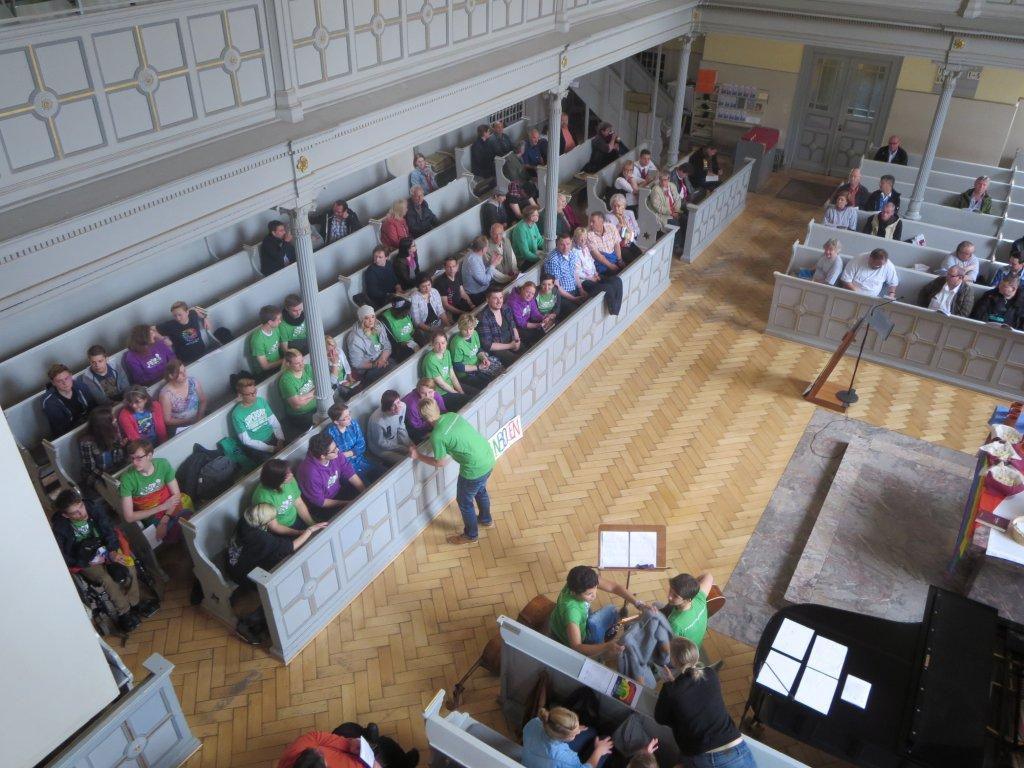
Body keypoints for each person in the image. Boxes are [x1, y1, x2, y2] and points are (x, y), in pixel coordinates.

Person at [53, 489, 154, 632]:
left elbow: (108, 530)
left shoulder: (93, 508)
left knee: (128, 565)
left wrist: (112, 551)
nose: (82, 513)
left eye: (81, 506)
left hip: (104, 547)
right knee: (105, 579)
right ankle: (124, 611)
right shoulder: (60, 529)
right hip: (84, 558)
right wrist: (86, 562)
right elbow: (65, 556)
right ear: (65, 515)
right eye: (75, 512)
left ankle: (134, 602)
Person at [226, 503, 326, 644]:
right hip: (244, 573)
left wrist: (300, 532)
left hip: (237, 561)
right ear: (265, 522)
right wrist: (309, 531)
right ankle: (247, 624)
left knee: (284, 568)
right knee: (277, 589)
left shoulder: (247, 519)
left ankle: (270, 619)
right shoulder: (261, 538)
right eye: (272, 519)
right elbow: (290, 547)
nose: (275, 520)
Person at [654, 637, 755, 768]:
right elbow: (698, 693)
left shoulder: (671, 690)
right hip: (737, 745)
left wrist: (669, 683)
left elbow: (660, 718)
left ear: (673, 660)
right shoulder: (711, 674)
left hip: (708, 755)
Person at [409, 398, 495, 545]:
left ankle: (471, 535)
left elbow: (440, 463)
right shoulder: (452, 416)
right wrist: (435, 434)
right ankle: (486, 520)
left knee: (464, 502)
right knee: (480, 490)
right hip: (488, 458)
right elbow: (451, 433)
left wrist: (418, 456)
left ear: (424, 418)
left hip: (473, 470)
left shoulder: (437, 436)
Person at [549, 565, 648, 657]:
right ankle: (599, 649)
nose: (594, 595)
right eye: (589, 594)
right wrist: (606, 646)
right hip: (578, 637)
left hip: (562, 621)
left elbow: (614, 587)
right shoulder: (572, 612)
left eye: (596, 587)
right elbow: (577, 647)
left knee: (610, 612)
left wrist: (638, 604)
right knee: (612, 611)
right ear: (574, 593)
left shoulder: (579, 580)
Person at [119, 438, 187, 543]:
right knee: (166, 536)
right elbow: (129, 517)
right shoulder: (127, 479)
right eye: (132, 458)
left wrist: (164, 520)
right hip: (150, 514)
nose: (134, 462)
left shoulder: (162, 464)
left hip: (171, 506)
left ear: (149, 456)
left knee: (186, 524)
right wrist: (161, 508)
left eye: (139, 458)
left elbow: (176, 495)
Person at [297, 433, 364, 518]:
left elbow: (350, 473)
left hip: (338, 490)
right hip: (323, 506)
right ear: (322, 456)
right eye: (334, 450)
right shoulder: (310, 473)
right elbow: (320, 502)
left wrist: (364, 492)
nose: (338, 450)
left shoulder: (335, 454)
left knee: (364, 487)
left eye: (336, 447)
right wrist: (346, 503)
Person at [521, 706, 614, 768]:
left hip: (535, 758)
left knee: (590, 732)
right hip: (553, 761)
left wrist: (572, 729)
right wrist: (599, 751)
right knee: (605, 740)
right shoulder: (564, 760)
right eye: (574, 734)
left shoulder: (535, 722)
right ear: (563, 738)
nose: (578, 731)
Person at [324, 403, 385, 485]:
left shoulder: (353, 423)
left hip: (361, 460)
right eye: (345, 418)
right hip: (346, 468)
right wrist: (353, 453)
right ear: (336, 422)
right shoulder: (329, 433)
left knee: (384, 474)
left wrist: (348, 453)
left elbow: (362, 445)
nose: (349, 418)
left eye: (349, 414)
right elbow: (334, 457)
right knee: (366, 486)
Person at [251, 459, 315, 535]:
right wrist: (300, 533)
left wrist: (311, 524)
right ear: (278, 480)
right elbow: (275, 526)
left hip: (296, 518)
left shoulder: (290, 480)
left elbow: (298, 503)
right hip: (283, 529)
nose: (292, 475)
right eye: (287, 475)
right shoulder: (262, 498)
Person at [231, 376, 285, 459]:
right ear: (240, 395)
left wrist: (280, 439)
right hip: (256, 446)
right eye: (250, 394)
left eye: (255, 391)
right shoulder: (237, 414)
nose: (254, 395)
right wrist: (272, 449)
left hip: (272, 437)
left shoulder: (261, 401)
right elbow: (246, 440)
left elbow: (274, 422)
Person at [574, 226, 623, 315]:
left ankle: (616, 310)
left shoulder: (586, 248)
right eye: (581, 239)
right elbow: (577, 272)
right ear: (576, 239)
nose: (583, 241)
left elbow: (591, 262)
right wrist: (591, 278)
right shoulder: (573, 252)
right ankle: (614, 311)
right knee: (608, 288)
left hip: (594, 275)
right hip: (584, 281)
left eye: (585, 238)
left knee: (617, 280)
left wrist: (596, 273)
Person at [78, 406, 125, 499]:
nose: (115, 420)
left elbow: (119, 452)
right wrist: (107, 477)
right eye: (112, 419)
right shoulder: (86, 442)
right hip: (97, 476)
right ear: (104, 425)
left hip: (116, 468)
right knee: (116, 495)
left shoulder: (114, 428)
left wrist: (122, 446)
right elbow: (91, 468)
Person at [450, 313, 501, 391]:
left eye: (471, 329)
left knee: (498, 374)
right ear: (460, 328)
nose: (468, 332)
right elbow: (458, 366)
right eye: (465, 329)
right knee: (487, 384)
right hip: (466, 374)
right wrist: (478, 367)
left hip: (478, 365)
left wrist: (484, 358)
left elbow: (478, 350)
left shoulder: (475, 334)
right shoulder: (457, 343)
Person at [662, 573, 714, 649]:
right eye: (670, 590)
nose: (669, 597)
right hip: (694, 646)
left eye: (675, 596)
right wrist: (690, 588)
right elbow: (708, 576)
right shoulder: (698, 598)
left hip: (682, 652)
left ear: (687, 600)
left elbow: (666, 648)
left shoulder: (675, 624)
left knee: (655, 605)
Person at [422, 330, 471, 409]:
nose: (441, 346)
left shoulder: (447, 353)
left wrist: (460, 391)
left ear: (446, 343)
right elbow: (441, 384)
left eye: (443, 343)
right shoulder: (430, 360)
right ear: (432, 344)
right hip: (440, 394)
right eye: (437, 343)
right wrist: (457, 393)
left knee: (476, 394)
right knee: (468, 400)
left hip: (450, 386)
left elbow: (452, 375)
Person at [346, 305, 394, 385]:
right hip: (368, 369)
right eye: (366, 318)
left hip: (383, 360)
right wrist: (376, 364)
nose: (371, 320)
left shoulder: (379, 326)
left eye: (372, 316)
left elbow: (387, 345)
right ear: (361, 320)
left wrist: (382, 359)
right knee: (389, 373)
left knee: (395, 367)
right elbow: (357, 364)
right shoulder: (354, 338)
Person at [42, 363, 93, 437]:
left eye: (67, 378)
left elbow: (93, 407)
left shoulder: (81, 386)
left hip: (90, 423)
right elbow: (61, 429)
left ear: (71, 376)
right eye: (59, 381)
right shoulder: (50, 403)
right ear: (53, 383)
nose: (65, 383)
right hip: (69, 433)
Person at [159, 360, 207, 434]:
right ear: (171, 376)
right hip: (179, 426)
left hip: (198, 417)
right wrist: (188, 421)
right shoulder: (165, 394)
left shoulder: (193, 381)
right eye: (180, 373)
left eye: (184, 370)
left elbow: (203, 400)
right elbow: (167, 420)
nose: (185, 375)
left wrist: (199, 418)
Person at [478, 288, 522, 367]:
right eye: (495, 298)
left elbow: (513, 325)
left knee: (530, 352)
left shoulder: (506, 308)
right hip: (497, 349)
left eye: (501, 297)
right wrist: (510, 345)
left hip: (512, 341)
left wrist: (517, 340)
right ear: (488, 300)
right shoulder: (483, 317)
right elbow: (488, 345)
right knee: (518, 362)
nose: (499, 301)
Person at [367, 390, 412, 463]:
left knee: (414, 450)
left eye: (398, 402)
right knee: (405, 461)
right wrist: (402, 448)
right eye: (393, 405)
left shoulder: (403, 406)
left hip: (395, 438)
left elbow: (401, 426)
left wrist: (408, 444)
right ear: (387, 407)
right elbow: (380, 443)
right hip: (381, 448)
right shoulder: (377, 421)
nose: (398, 407)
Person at [507, 281, 555, 348]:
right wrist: (537, 325)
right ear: (522, 289)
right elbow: (520, 323)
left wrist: (543, 318)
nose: (530, 295)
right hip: (516, 327)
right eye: (528, 292)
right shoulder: (513, 302)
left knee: (550, 326)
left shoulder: (530, 299)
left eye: (532, 294)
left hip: (527, 321)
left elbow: (535, 313)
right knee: (536, 335)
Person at [278, 349, 317, 428]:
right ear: (288, 364)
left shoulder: (307, 368)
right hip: (300, 415)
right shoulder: (286, 380)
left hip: (317, 406)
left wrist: (302, 398)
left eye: (302, 361)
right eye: (297, 363)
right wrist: (314, 393)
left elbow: (320, 386)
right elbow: (296, 405)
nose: (301, 365)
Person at [463, 235, 505, 306]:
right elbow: (484, 281)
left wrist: (490, 263)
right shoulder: (473, 261)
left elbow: (482, 270)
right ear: (483, 249)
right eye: (487, 247)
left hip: (482, 288)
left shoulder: (476, 253)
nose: (487, 248)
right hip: (477, 294)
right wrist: (493, 265)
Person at [402, 378, 447, 444]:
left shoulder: (436, 395)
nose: (427, 396)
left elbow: (443, 411)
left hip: (429, 420)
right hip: (414, 427)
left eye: (430, 392)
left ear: (434, 390)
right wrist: (434, 425)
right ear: (418, 391)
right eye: (423, 393)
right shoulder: (412, 406)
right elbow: (417, 426)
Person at [410, 275, 449, 346]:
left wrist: (448, 324)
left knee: (447, 337)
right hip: (424, 328)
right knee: (437, 343)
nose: (427, 288)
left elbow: (440, 311)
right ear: (418, 287)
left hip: (438, 323)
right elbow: (417, 322)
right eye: (423, 286)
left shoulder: (434, 292)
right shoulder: (414, 298)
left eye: (429, 285)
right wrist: (432, 330)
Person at [378, 299, 419, 363]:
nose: (404, 315)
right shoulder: (384, 320)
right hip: (400, 348)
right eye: (402, 313)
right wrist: (403, 344)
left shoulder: (406, 313)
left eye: (406, 313)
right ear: (394, 310)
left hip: (412, 342)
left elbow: (413, 331)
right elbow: (389, 343)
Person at [249, 305, 284, 376]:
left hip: (278, 363)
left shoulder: (275, 329)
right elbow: (265, 367)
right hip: (265, 373)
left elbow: (279, 345)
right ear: (270, 322)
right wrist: (284, 360)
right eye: (278, 320)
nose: (280, 321)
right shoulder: (257, 340)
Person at [606, 194, 642, 262]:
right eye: (614, 206)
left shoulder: (629, 213)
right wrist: (618, 226)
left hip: (630, 241)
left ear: (624, 206)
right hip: (618, 246)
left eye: (618, 206)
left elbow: (637, 229)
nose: (616, 208)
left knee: (640, 256)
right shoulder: (609, 218)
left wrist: (630, 235)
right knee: (631, 260)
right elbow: (611, 236)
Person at [510, 205, 545, 269]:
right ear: (528, 216)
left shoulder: (533, 224)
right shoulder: (520, 229)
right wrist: (540, 259)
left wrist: (548, 247)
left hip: (534, 254)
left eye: (537, 214)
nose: (537, 216)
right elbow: (525, 253)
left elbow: (539, 240)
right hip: (523, 261)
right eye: (534, 215)